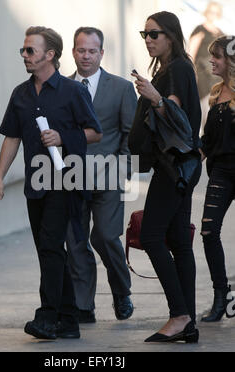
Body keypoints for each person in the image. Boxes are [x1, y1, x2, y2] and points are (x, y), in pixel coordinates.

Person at [0, 26, 102, 340]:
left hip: (66, 180)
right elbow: (12, 136)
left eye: (30, 50)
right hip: (35, 181)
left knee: (52, 246)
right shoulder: (21, 94)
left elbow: (95, 132)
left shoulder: (73, 91)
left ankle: (47, 317)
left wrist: (63, 137)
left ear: (50, 54)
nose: (24, 55)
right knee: (48, 249)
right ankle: (68, 320)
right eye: (23, 50)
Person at [128, 11, 202, 343]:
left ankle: (180, 314)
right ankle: (188, 323)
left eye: (154, 34)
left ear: (171, 36)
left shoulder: (177, 70)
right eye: (144, 34)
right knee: (179, 242)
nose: (148, 39)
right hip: (181, 166)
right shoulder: (175, 69)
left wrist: (154, 98)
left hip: (174, 166)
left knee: (153, 236)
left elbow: (179, 122)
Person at [65, 27, 137, 323]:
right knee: (76, 242)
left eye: (92, 51)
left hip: (108, 177)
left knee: (106, 236)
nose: (86, 56)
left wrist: (123, 168)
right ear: (73, 52)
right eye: (81, 50)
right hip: (69, 178)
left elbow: (130, 133)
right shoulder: (62, 87)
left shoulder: (120, 88)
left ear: (101, 53)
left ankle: (121, 291)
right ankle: (84, 305)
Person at [200, 35, 235, 322]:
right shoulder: (214, 94)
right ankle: (220, 296)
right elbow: (208, 140)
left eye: (218, 56)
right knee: (209, 232)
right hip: (221, 171)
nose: (212, 60)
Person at [188, 1, 224, 130]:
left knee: (218, 112)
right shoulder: (200, 29)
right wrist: (191, 75)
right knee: (205, 111)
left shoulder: (221, 33)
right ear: (206, 13)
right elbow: (191, 53)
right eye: (210, 12)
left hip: (218, 78)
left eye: (215, 12)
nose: (213, 15)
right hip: (203, 76)